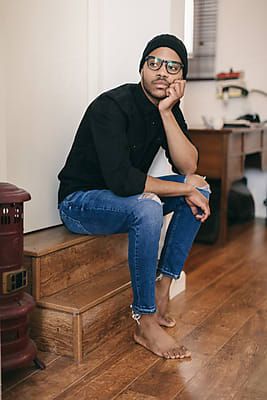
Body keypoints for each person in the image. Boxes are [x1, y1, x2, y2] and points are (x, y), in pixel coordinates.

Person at [58, 34, 211, 360]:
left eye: (173, 66)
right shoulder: (110, 106)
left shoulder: (166, 107)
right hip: (80, 203)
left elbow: (189, 165)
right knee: (150, 206)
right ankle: (144, 318)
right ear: (141, 67)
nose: (162, 72)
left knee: (201, 187)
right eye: (153, 63)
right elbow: (124, 181)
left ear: (180, 77)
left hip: (121, 199)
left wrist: (168, 113)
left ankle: (163, 288)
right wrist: (185, 188)